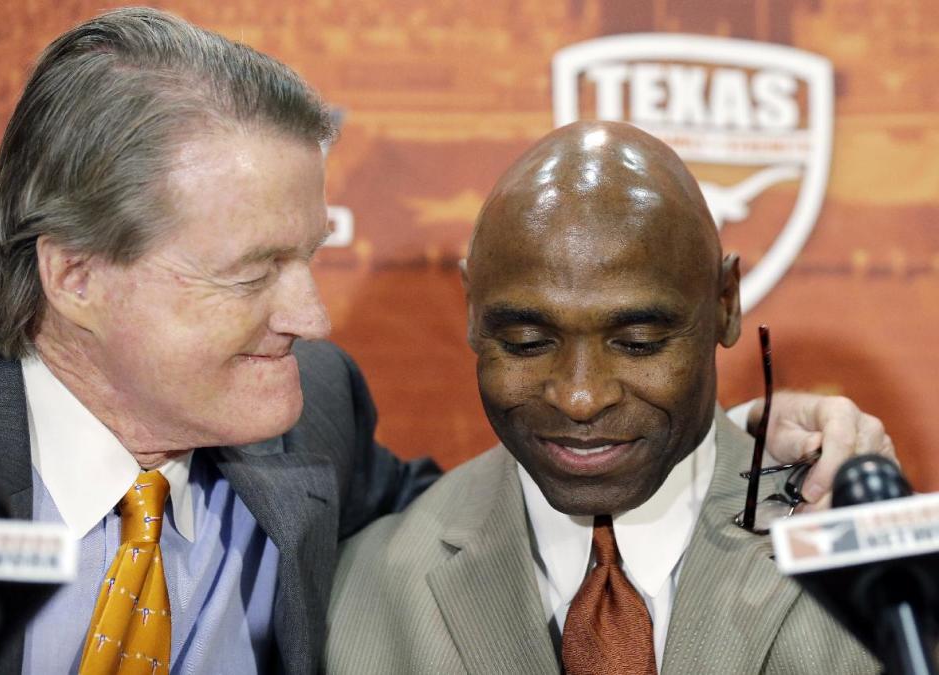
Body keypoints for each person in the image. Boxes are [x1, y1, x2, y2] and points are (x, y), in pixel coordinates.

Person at [0, 8, 891, 675]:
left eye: (310, 258)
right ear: (76, 276)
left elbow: (517, 499)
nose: (310, 317)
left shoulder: (312, 411)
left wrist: (748, 432)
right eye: (252, 273)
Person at [323, 122, 886, 674]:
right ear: (472, 313)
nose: (580, 397)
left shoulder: (873, 564)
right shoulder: (364, 591)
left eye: (638, 344)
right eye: (528, 342)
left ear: (725, 303)